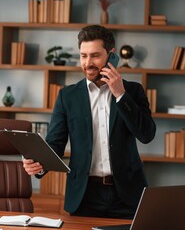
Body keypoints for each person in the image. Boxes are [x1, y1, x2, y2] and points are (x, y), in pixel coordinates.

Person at [23, 25, 156, 219]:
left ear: (111, 55)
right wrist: (39, 164)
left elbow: (146, 135)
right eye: (83, 56)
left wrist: (120, 94)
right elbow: (55, 144)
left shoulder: (133, 91)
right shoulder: (67, 96)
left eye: (95, 55)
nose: (87, 63)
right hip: (84, 196)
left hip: (127, 195)